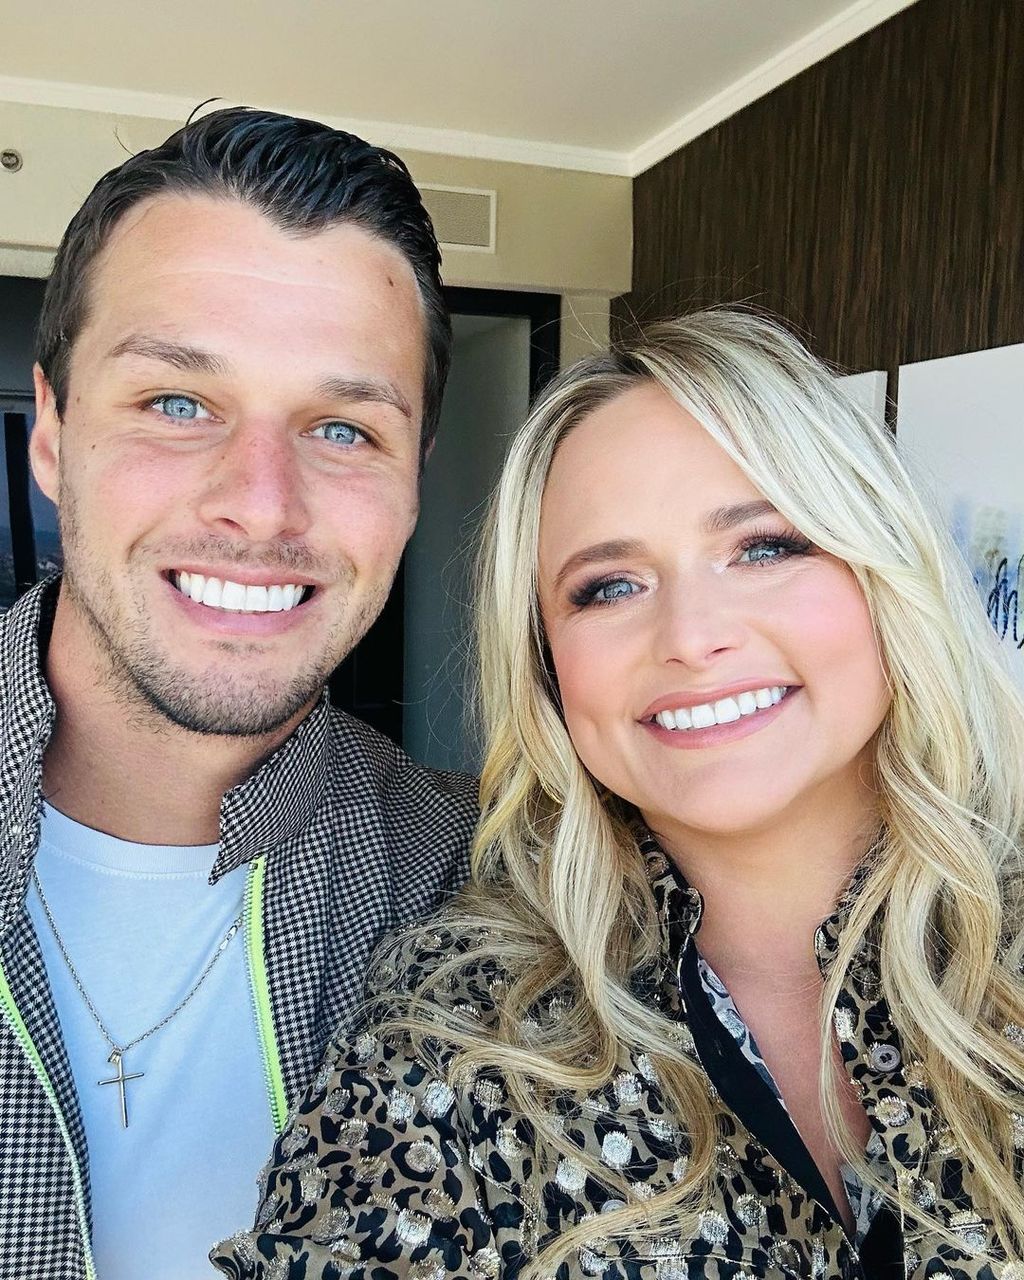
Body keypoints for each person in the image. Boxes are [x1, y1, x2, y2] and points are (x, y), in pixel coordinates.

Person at [214, 308, 1024, 1279]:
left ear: (882, 571)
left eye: (764, 546)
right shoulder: (456, 1035)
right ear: (549, 668)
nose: (690, 633)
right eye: (606, 586)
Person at [0, 107, 476, 1279]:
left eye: (342, 427)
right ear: (52, 434)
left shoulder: (480, 887)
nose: (261, 505)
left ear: (414, 477)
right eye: (177, 403)